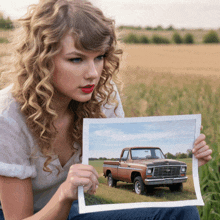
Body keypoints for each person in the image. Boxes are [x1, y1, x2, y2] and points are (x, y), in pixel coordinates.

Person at [0, 0, 212, 219]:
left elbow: (111, 195)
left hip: (80, 206)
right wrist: (64, 193)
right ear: (41, 61)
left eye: (99, 57)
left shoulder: (102, 94)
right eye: (76, 59)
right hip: (35, 215)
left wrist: (188, 153)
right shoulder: (8, 116)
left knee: (180, 210)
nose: (93, 73)